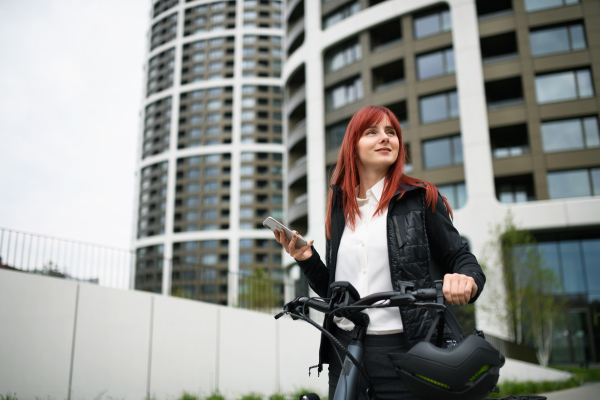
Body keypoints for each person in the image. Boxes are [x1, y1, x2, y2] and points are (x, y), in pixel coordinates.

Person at [274, 105, 486, 400]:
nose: (385, 138)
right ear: (353, 146)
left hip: (409, 354)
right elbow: (335, 293)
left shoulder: (421, 198)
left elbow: (462, 259)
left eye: (391, 132)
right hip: (345, 351)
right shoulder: (339, 209)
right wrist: (305, 258)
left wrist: (466, 279)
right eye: (372, 132)